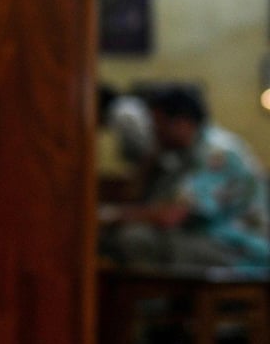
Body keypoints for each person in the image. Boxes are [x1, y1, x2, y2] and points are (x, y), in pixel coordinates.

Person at [99, 84, 269, 269]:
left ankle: (149, 298)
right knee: (120, 238)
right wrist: (149, 160)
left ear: (182, 122)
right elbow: (139, 198)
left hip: (240, 250)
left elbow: (170, 216)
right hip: (210, 241)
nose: (155, 134)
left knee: (135, 239)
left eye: (158, 126)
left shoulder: (216, 152)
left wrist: (112, 216)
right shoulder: (181, 155)